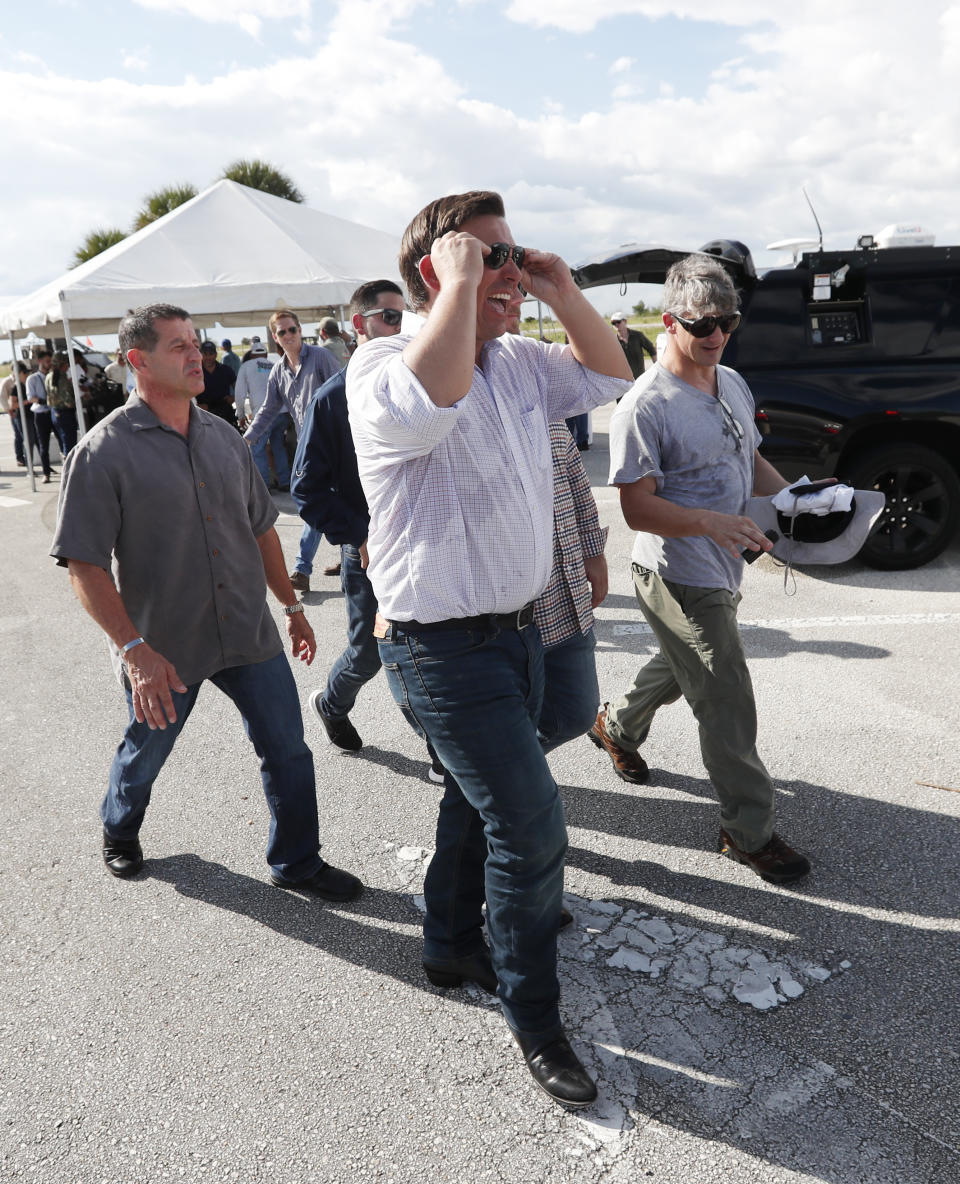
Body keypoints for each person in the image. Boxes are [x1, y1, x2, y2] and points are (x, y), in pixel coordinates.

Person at [347, 190, 632, 1107]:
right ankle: (534, 1013)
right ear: (434, 271)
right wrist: (466, 284)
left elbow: (611, 372)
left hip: (518, 637)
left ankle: (449, 943)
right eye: (491, 255)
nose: (512, 271)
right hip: (441, 650)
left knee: (488, 803)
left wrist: (555, 281)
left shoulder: (517, 363)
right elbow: (436, 394)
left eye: (515, 256)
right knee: (531, 821)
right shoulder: (382, 366)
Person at [49, 303, 362, 901]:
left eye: (197, 344)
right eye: (179, 347)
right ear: (138, 361)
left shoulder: (224, 437)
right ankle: (119, 827)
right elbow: (85, 567)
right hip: (163, 645)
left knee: (288, 750)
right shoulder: (101, 451)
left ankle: (297, 861)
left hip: (247, 629)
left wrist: (292, 609)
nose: (198, 356)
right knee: (146, 751)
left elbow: (262, 529)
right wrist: (135, 651)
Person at [591, 256, 811, 886]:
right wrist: (713, 523)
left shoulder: (730, 380)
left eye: (727, 321)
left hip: (723, 565)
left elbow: (752, 460)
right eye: (702, 323)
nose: (716, 333)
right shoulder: (645, 405)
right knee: (726, 697)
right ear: (669, 321)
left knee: (683, 664)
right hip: (676, 573)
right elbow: (638, 506)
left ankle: (617, 728)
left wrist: (798, 498)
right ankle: (748, 832)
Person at [291, 280, 405, 751]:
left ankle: (443, 749)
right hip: (369, 552)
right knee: (369, 652)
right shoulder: (331, 399)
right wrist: (357, 536)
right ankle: (331, 704)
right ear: (360, 325)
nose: (403, 328)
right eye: (392, 318)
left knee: (415, 649)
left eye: (407, 318)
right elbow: (306, 489)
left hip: (417, 545)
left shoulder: (413, 383)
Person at [243, 310, 341, 590]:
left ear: (300, 331)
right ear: (275, 338)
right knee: (319, 501)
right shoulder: (278, 370)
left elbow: (344, 392)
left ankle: (308, 566)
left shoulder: (320, 358)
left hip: (335, 444)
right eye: (282, 332)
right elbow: (268, 409)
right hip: (308, 447)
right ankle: (340, 559)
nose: (288, 336)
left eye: (292, 330)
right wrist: (247, 439)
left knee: (321, 501)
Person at [236, 338, 290, 490]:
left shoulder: (246, 366)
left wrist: (240, 415)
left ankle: (264, 486)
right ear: (265, 354)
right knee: (278, 446)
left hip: (262, 414)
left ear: (252, 355)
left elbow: (239, 394)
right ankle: (285, 481)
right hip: (281, 413)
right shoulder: (275, 365)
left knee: (257, 450)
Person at [45, 352, 82, 456]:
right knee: (70, 445)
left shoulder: (49, 376)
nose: (68, 366)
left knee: (64, 442)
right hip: (65, 414)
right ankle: (70, 469)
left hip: (55, 413)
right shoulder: (62, 378)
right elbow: (69, 402)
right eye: (67, 364)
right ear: (62, 364)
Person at [26, 350, 55, 482]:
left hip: (54, 412)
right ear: (40, 362)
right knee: (44, 445)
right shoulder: (32, 378)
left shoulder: (54, 375)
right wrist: (43, 401)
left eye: (50, 361)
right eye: (47, 361)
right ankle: (46, 473)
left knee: (62, 440)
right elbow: (31, 397)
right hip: (41, 414)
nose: (49, 364)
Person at [198, 341, 238, 426]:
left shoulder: (226, 370)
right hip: (203, 414)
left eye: (211, 354)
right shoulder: (195, 372)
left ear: (216, 355)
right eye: (205, 354)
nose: (208, 357)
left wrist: (234, 397)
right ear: (200, 355)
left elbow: (238, 388)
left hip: (225, 412)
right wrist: (196, 405)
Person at [611, 311, 657, 380]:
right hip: (623, 380)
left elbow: (651, 350)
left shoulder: (638, 336)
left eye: (618, 322)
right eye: (613, 323)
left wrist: (656, 368)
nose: (616, 324)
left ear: (625, 321)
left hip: (640, 378)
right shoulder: (613, 341)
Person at [2, 363, 32, 466]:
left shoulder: (22, 381)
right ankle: (19, 457)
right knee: (18, 435)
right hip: (14, 411)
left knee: (24, 435)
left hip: (24, 411)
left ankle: (24, 456)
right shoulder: (8, 382)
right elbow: (2, 396)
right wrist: (8, 409)